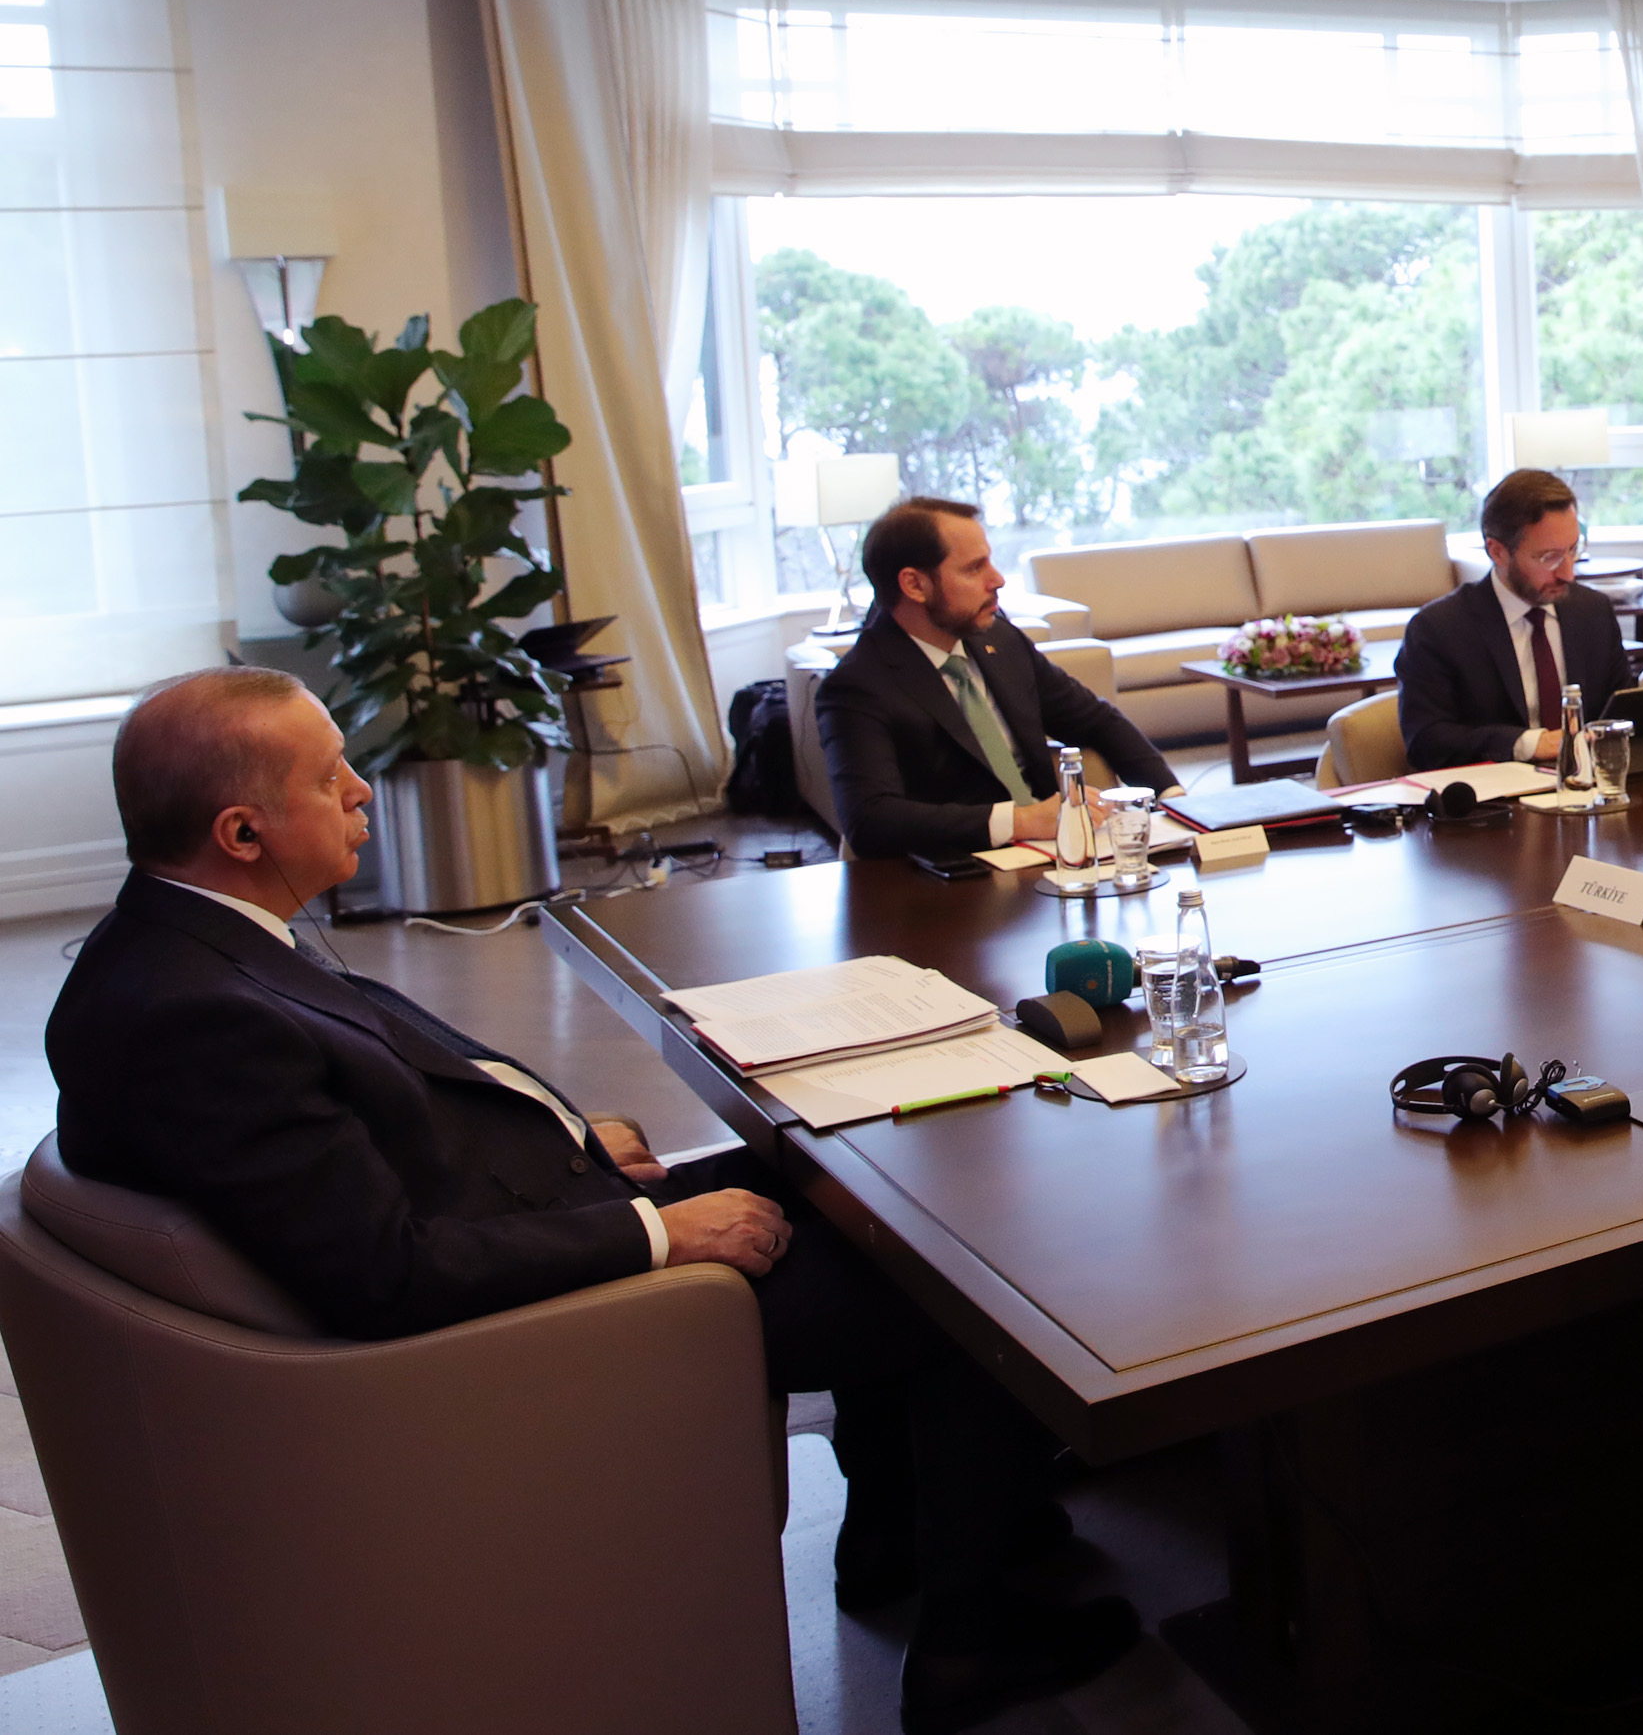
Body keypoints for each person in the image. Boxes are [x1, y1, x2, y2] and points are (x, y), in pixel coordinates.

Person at [48, 671, 1136, 1733]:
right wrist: (658, 1234)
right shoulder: (198, 1021)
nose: (362, 790)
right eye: (331, 776)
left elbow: (370, 1130)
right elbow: (387, 1274)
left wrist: (570, 1136)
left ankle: (897, 1543)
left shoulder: (180, 944)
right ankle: (969, 1645)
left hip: (526, 1211)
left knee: (863, 1170)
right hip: (540, 1319)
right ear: (242, 832)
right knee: (967, 1287)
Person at [816, 497, 1175, 862]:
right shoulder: (857, 687)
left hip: (1055, 854)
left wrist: (1173, 801)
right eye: (974, 568)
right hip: (958, 872)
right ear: (914, 585)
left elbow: (1096, 720)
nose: (997, 580)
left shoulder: (1000, 640)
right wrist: (1020, 821)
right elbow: (870, 819)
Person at [1393, 467, 1636, 771]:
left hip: (1588, 785)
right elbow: (1426, 742)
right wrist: (1529, 744)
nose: (1568, 573)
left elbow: (1623, 708)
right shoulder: (1438, 629)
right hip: (1497, 794)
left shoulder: (1592, 611)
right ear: (1497, 552)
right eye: (1549, 557)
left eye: (1573, 550)